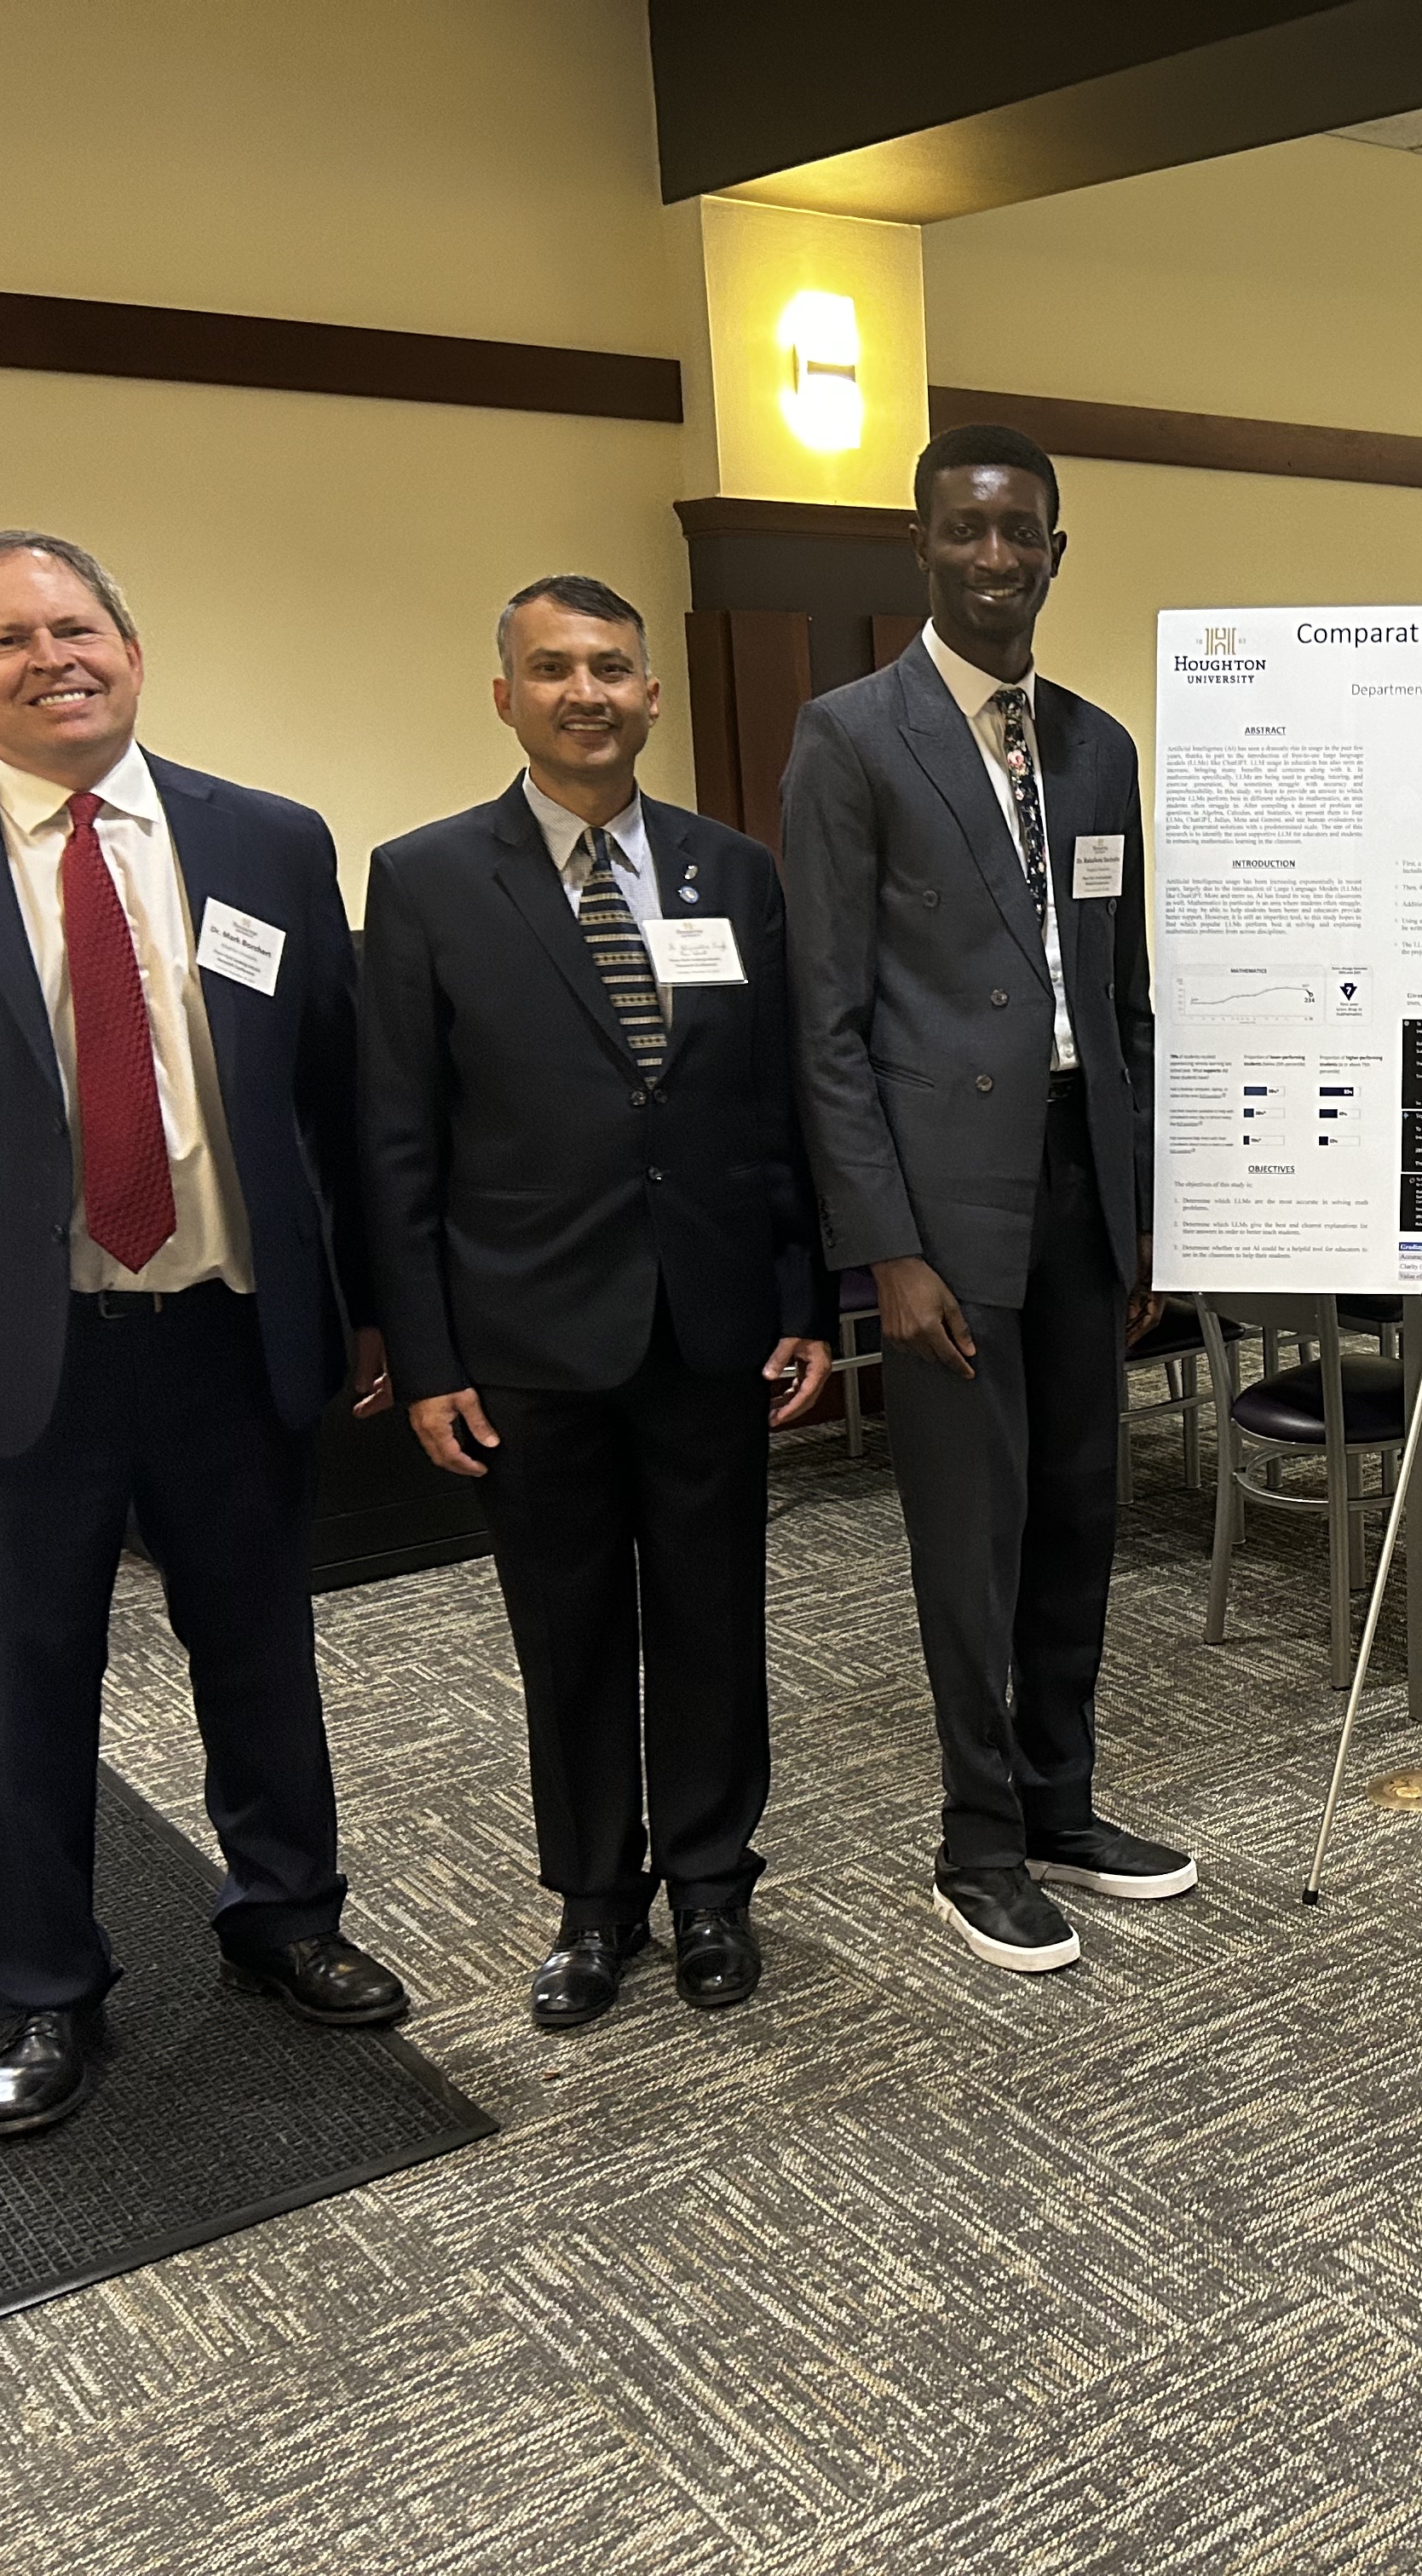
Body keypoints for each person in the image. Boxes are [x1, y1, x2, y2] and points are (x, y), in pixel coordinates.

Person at [0, 532, 406, 2137]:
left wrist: (366, 1313)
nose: (50, 657)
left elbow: (333, 1107)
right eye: (7, 641)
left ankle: (287, 1916)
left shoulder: (268, 842)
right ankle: (43, 1991)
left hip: (230, 1335)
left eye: (77, 627)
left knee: (264, 1658)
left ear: (133, 651)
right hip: (1, 1363)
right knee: (13, 1689)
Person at [358, 576, 830, 2030]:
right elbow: (395, 1136)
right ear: (504, 693)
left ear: (649, 694)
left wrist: (803, 1295)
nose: (586, 693)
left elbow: (773, 1108)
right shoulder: (428, 877)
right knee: (564, 1628)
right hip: (525, 1338)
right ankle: (591, 1904)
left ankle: (709, 1889)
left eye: (611, 669)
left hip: (708, 1327)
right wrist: (424, 1352)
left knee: (712, 1611)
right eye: (552, 668)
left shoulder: (730, 872)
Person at [777, 424, 1192, 1975]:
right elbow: (824, 1022)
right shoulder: (852, 737)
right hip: (942, 1211)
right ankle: (976, 1839)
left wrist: (1141, 1218)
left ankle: (1064, 1799)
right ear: (925, 547)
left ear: (1057, 551)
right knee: (975, 1531)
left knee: (1086, 1508)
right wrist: (884, 1247)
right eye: (967, 533)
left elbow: (1124, 997)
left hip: (1084, 1184)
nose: (996, 559)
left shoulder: (1096, 746)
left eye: (1022, 534)